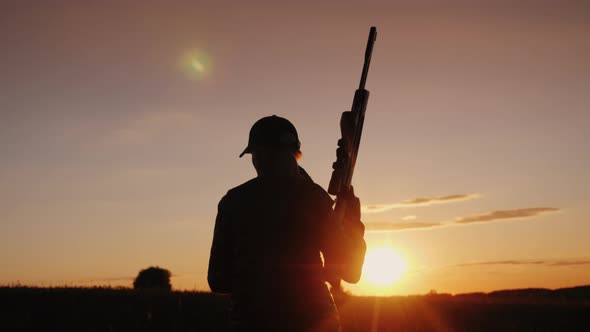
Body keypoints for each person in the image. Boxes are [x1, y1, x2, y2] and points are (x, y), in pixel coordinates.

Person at [208, 115, 366, 331]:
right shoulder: (314, 199)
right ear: (295, 154)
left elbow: (218, 280)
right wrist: (352, 222)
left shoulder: (233, 201)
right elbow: (350, 272)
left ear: (257, 155)